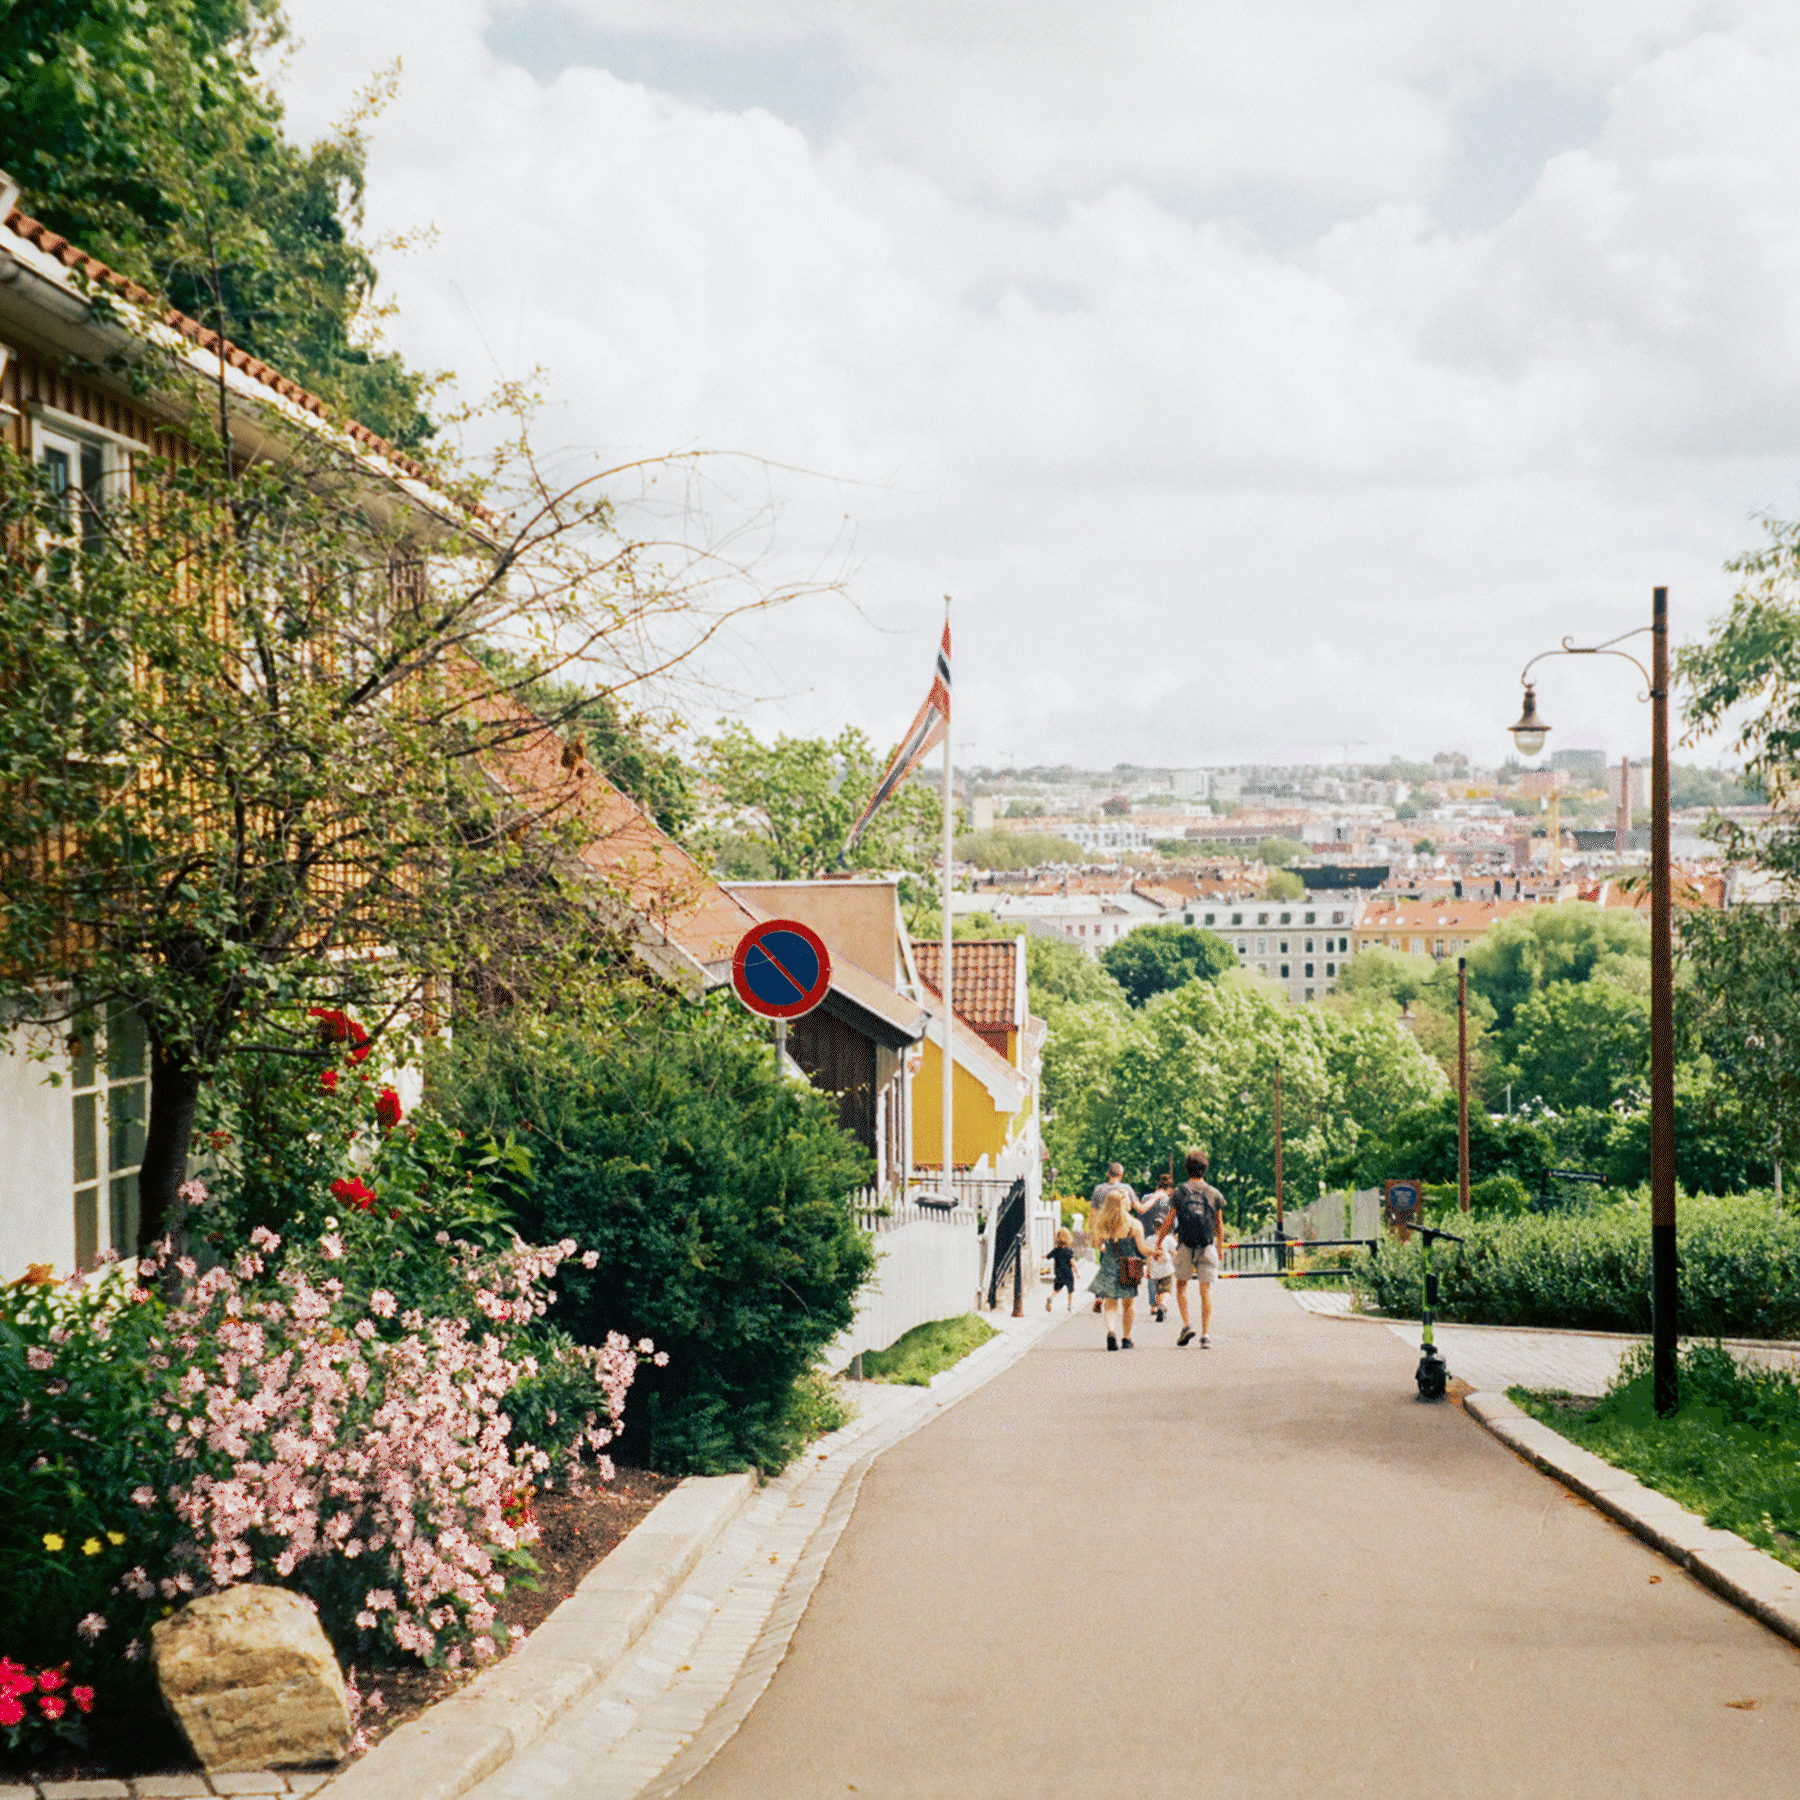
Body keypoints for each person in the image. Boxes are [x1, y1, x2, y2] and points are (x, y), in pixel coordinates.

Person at [1156, 1147, 1228, 1347]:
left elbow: (1169, 1221)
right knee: (1206, 1290)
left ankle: (1187, 1325)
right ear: (1205, 1169)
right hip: (1207, 1246)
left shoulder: (1180, 1192)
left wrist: (1159, 1243)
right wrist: (1220, 1247)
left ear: (1187, 1169)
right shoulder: (1214, 1193)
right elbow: (1219, 1224)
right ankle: (1205, 1335)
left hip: (1185, 1246)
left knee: (1181, 1286)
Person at [1086, 1183, 1152, 1350]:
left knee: (1110, 1303)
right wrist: (1156, 1252)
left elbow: (1096, 1243)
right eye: (1129, 1200)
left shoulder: (1104, 1222)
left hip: (1109, 1265)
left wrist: (1106, 1248)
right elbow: (1142, 1249)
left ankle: (1111, 1331)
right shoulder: (1134, 1224)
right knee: (1128, 1304)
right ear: (1124, 1203)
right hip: (1128, 1268)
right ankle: (1126, 1338)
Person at [1089, 1164, 1136, 1311]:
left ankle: (1099, 1296)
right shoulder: (1126, 1189)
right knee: (1123, 1262)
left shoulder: (1099, 1189)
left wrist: (1093, 1233)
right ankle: (1122, 1293)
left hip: (1105, 1231)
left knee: (1104, 1264)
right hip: (1123, 1231)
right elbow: (1137, 1207)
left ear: (1108, 1173)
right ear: (1121, 1174)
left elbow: (1093, 1213)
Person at [1135, 1171, 1175, 1322]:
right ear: (1170, 1188)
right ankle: (1162, 1304)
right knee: (1164, 1270)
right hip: (1164, 1237)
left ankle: (1153, 1304)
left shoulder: (1146, 1198)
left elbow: (1140, 1215)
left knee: (1151, 1269)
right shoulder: (1169, 1201)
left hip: (1147, 1237)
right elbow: (1173, 1221)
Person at [1046, 1227, 1078, 1311]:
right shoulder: (1070, 1250)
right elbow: (1073, 1262)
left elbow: (1048, 1256)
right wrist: (1076, 1272)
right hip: (1068, 1273)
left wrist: (1041, 1256)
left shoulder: (1056, 1250)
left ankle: (1050, 1298)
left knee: (1057, 1289)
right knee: (1070, 1290)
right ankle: (1069, 1305)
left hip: (1058, 1273)